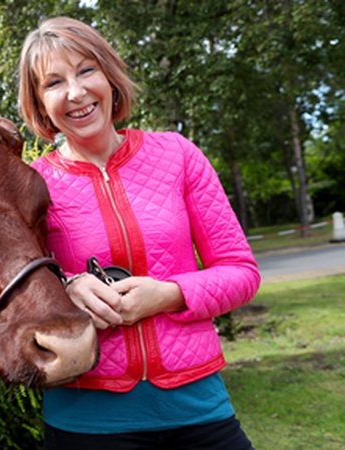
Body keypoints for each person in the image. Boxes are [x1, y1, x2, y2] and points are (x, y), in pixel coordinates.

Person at [17, 17, 261, 449]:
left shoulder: (177, 155)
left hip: (200, 411)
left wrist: (168, 294)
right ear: (39, 102)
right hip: (86, 425)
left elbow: (241, 272)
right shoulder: (29, 187)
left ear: (110, 76)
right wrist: (69, 287)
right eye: (53, 82)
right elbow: (16, 293)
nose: (75, 92)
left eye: (86, 70)